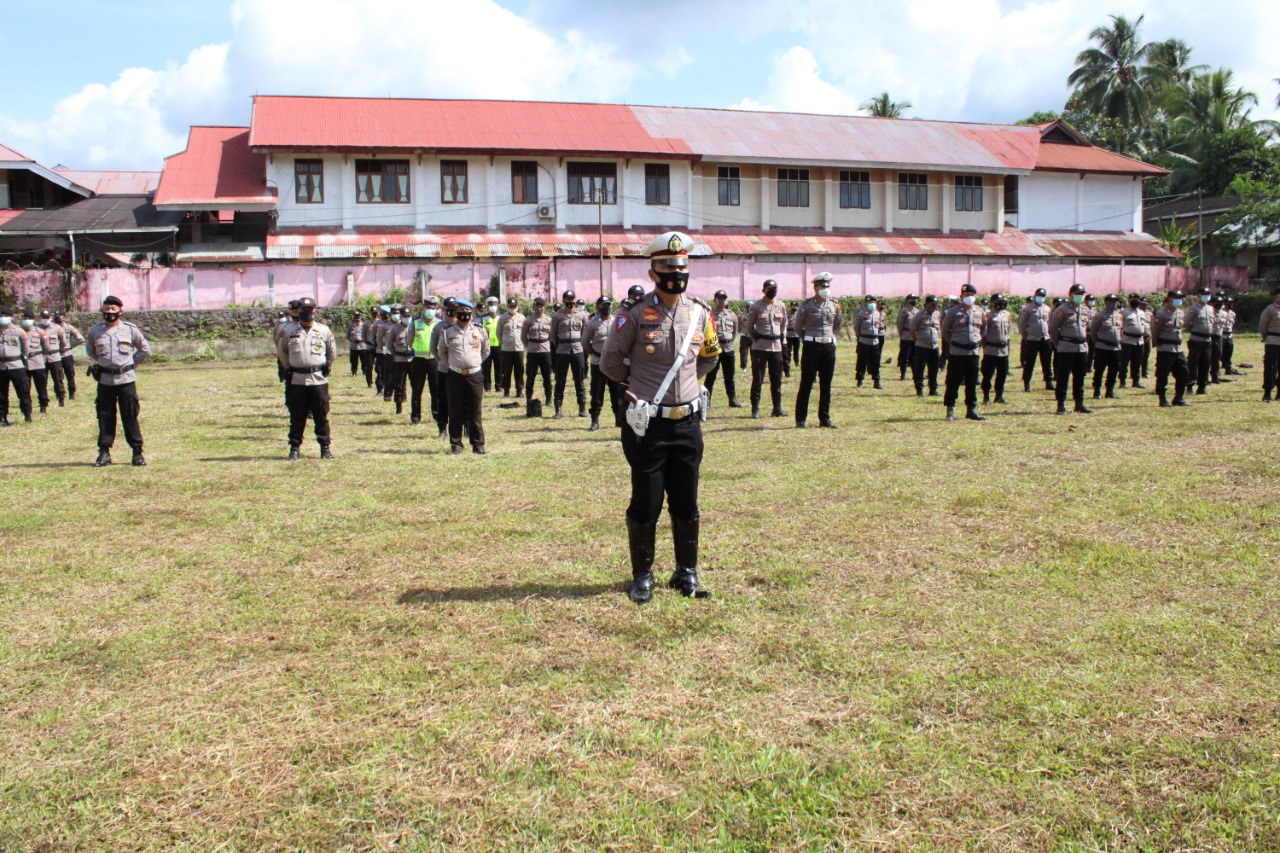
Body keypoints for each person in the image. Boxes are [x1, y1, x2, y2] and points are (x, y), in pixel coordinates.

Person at [601, 230, 720, 604]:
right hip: (648, 425)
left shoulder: (700, 313)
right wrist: (638, 382)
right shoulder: (634, 315)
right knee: (647, 502)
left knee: (686, 502)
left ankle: (686, 573)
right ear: (653, 273)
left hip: (687, 423)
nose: (676, 274)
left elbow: (710, 356)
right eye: (668, 268)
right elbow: (609, 363)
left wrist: (687, 384)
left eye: (681, 267)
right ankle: (643, 576)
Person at [86, 295, 152, 466]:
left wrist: (130, 364)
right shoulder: (95, 331)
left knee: (130, 415)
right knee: (105, 416)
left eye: (113, 309)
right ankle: (104, 452)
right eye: (107, 309)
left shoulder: (130, 330)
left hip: (126, 380)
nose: (110, 312)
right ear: (102, 311)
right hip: (105, 380)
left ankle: (137, 452)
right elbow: (91, 351)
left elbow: (145, 350)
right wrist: (104, 364)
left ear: (120, 311)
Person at [277, 297, 336, 460]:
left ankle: (325, 448)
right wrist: (290, 367)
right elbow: (282, 352)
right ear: (299, 311)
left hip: (318, 379)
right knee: (297, 415)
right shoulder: (289, 330)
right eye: (303, 309)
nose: (307, 312)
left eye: (310, 309)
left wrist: (326, 365)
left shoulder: (323, 330)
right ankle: (294, 448)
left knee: (321, 415)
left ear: (315, 310)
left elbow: (331, 352)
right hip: (297, 379)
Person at [436, 298, 489, 455]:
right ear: (456, 313)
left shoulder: (480, 330)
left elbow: (485, 351)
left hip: (474, 375)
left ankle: (478, 444)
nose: (464, 314)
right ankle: (456, 444)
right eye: (461, 311)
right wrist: (454, 364)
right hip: (455, 375)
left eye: (467, 311)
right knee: (455, 409)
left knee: (475, 410)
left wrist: (474, 363)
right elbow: (442, 352)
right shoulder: (447, 331)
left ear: (471, 313)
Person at [793, 271, 843, 428]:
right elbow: (798, 327)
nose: (825, 289)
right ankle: (801, 420)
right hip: (811, 346)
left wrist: (831, 339)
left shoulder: (834, 305)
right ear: (815, 287)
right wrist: (808, 339)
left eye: (827, 286)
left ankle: (824, 419)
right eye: (822, 286)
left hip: (828, 346)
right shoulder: (806, 305)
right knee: (806, 383)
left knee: (826, 384)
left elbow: (837, 325)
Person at [940, 283, 986, 421]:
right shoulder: (954, 311)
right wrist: (953, 342)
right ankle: (950, 410)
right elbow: (945, 330)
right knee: (953, 381)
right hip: (957, 352)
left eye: (972, 295)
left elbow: (984, 328)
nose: (969, 297)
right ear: (961, 296)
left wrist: (978, 341)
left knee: (972, 381)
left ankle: (971, 410)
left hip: (973, 352)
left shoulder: (979, 311)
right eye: (967, 295)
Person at [747, 279, 788, 419]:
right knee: (758, 379)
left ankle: (777, 408)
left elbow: (784, 324)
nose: (772, 291)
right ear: (763, 290)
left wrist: (781, 339)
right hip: (760, 347)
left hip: (776, 347)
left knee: (776, 379)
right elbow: (750, 327)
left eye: (774, 289)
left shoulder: (781, 305)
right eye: (769, 289)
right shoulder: (756, 307)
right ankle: (755, 409)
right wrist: (757, 339)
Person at [1049, 283, 1093, 415]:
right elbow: (1053, 329)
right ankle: (1061, 404)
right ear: (1070, 295)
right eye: (1077, 294)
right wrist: (1059, 343)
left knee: (1080, 377)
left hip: (1081, 348)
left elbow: (1087, 327)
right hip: (1066, 347)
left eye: (1082, 294)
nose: (1080, 296)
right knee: (1063, 377)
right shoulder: (1062, 309)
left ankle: (1079, 404)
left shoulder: (1085, 309)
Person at [584, 295, 621, 431]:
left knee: (616, 392)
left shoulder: (618, 321)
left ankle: (618, 419)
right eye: (604, 305)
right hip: (598, 362)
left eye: (608, 305)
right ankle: (595, 420)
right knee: (597, 392)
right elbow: (585, 342)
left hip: (614, 362)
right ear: (598, 307)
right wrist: (594, 353)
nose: (606, 308)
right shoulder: (593, 323)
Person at [550, 290, 588, 418]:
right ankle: (558, 409)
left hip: (577, 349)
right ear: (563, 300)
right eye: (568, 299)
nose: (570, 301)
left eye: (572, 299)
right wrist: (558, 346)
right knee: (560, 380)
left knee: (579, 380)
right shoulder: (557, 316)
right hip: (562, 350)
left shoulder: (582, 315)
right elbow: (553, 334)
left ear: (575, 299)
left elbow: (584, 332)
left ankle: (582, 408)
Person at [703, 289, 742, 410]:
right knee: (711, 376)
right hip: (715, 349)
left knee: (729, 376)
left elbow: (735, 331)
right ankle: (707, 401)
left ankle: (732, 399)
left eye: (724, 298)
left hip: (728, 349)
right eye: (719, 298)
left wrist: (728, 341)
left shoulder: (731, 315)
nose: (721, 301)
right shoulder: (709, 315)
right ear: (714, 300)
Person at [1152, 290, 1191, 407]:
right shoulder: (1161, 313)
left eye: (1180, 298)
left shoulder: (1181, 313)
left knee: (1184, 372)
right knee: (1163, 374)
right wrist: (1156, 344)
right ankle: (1162, 399)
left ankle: (1178, 398)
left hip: (1178, 348)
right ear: (1169, 299)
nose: (1179, 300)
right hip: (1165, 348)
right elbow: (1155, 330)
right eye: (1176, 297)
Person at [407, 297, 439, 425]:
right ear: (423, 308)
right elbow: (410, 340)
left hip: (434, 360)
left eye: (433, 308)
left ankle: (437, 414)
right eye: (428, 307)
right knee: (417, 389)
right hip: (418, 360)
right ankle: (415, 416)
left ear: (436, 309)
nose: (430, 310)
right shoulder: (415, 323)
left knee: (435, 389)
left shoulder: (440, 323)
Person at [0, 306, 32, 426]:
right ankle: (2, 417)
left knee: (23, 391)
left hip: (16, 365)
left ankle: (27, 414)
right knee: (1, 394)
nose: (2, 318)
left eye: (5, 316)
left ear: (11, 317)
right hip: (1, 366)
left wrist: (23, 360)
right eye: (1, 316)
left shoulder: (19, 331)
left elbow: (26, 349)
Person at [1018, 287, 1054, 392]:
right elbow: (1022, 323)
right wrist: (1025, 336)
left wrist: (1049, 334)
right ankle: (1027, 383)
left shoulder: (1047, 309)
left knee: (1047, 361)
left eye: (1042, 296)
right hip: (1032, 339)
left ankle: (1049, 382)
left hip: (1045, 338)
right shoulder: (1028, 309)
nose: (1040, 297)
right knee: (1029, 362)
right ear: (1035, 296)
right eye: (1039, 295)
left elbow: (1049, 322)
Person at [521, 297, 553, 415]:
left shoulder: (549, 320)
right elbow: (523, 337)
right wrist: (529, 346)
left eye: (541, 306)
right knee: (530, 376)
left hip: (545, 350)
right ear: (534, 306)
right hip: (532, 351)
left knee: (547, 375)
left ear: (544, 307)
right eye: (537, 306)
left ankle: (548, 398)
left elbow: (552, 336)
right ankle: (529, 398)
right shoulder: (528, 320)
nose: (539, 308)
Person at [430, 299, 457, 437]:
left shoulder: (463, 326)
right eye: (449, 309)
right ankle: (442, 427)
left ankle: (465, 426)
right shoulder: (439, 327)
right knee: (442, 398)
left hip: (460, 369)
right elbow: (433, 347)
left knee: (462, 399)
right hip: (444, 369)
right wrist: (441, 361)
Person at [1089, 294, 1125, 399]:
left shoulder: (1119, 315)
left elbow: (1121, 330)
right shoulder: (1099, 316)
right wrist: (1097, 343)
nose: (1113, 304)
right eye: (1110, 301)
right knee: (1099, 370)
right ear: (1105, 302)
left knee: (1114, 370)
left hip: (1115, 348)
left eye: (1115, 302)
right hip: (1102, 347)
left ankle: (1110, 391)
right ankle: (1097, 391)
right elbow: (1093, 331)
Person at [1182, 286, 1215, 395]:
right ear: (1199, 296)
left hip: (1207, 340)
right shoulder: (1194, 308)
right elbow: (1186, 322)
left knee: (1205, 363)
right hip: (1196, 339)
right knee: (1193, 363)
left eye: (1208, 294)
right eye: (1204, 295)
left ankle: (1202, 386)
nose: (1206, 297)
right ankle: (1190, 385)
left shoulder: (1210, 309)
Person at [979, 293, 1011, 406]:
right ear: (992, 303)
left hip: (1003, 350)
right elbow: (983, 333)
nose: (1000, 304)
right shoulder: (987, 315)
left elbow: (1008, 332)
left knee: (1002, 374)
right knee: (988, 374)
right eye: (998, 302)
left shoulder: (1007, 314)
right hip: (991, 350)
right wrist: (984, 346)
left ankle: (999, 396)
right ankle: (986, 397)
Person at [909, 295, 941, 397]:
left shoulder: (937, 314)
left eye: (936, 304)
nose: (934, 306)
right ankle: (919, 390)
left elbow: (938, 329)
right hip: (922, 346)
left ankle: (933, 389)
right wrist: (917, 340)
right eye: (932, 304)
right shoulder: (919, 315)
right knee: (920, 368)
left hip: (934, 346)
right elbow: (912, 330)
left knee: (934, 368)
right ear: (926, 304)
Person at [21, 311, 52, 414]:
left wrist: (39, 355)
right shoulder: (19, 331)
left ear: (33, 320)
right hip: (23, 364)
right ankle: (27, 407)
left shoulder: (39, 331)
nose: (26, 320)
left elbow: (46, 347)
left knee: (41, 386)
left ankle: (43, 405)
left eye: (28, 318)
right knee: (24, 387)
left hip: (37, 362)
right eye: (24, 318)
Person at [496, 296, 526, 399]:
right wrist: (504, 342)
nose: (512, 308)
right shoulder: (502, 318)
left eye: (514, 306)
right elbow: (499, 333)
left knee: (520, 370)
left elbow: (525, 332)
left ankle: (519, 391)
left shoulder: (522, 317)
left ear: (517, 306)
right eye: (510, 306)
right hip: (506, 349)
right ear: (507, 306)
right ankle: (506, 391)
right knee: (506, 370)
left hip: (519, 348)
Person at [387, 307, 414, 414]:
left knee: (415, 384)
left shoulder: (414, 327)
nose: (407, 318)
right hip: (400, 359)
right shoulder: (395, 329)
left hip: (412, 359)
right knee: (399, 383)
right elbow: (390, 344)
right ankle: (398, 406)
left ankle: (415, 407)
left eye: (409, 316)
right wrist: (395, 356)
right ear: (401, 317)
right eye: (405, 317)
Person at [1118, 295, 1148, 389]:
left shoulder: (1142, 312)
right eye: (1133, 299)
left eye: (1137, 299)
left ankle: (1136, 381)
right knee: (1124, 362)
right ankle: (1122, 382)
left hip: (1139, 341)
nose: (1136, 301)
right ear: (1129, 300)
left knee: (1137, 362)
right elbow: (1119, 326)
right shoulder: (1123, 312)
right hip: (1127, 340)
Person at [853, 295, 882, 389]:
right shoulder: (861, 314)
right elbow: (856, 327)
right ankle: (860, 380)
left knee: (876, 362)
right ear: (865, 303)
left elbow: (878, 326)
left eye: (873, 303)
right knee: (862, 361)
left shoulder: (877, 314)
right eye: (869, 303)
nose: (871, 304)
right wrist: (859, 336)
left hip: (875, 341)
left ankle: (876, 381)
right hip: (864, 341)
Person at [55, 312, 85, 401]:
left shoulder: (69, 327)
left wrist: (70, 345)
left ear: (63, 318)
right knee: (57, 376)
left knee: (70, 375)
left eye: (60, 318)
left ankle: (72, 394)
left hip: (66, 354)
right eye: (57, 317)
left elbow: (80, 339)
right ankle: (60, 395)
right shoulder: (52, 328)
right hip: (56, 355)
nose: (58, 319)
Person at [1260, 286, 1280, 402]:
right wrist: (1265, 337)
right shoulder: (1270, 309)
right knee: (1271, 367)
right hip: (1273, 341)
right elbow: (1263, 324)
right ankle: (1267, 392)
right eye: (1278, 294)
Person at [479, 296, 502, 392]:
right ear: (487, 305)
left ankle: (499, 385)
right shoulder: (483, 318)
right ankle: (487, 386)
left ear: (498, 305)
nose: (492, 306)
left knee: (499, 367)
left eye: (494, 304)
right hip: (486, 346)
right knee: (486, 367)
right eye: (490, 304)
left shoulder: (501, 317)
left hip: (499, 345)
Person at [896, 295, 919, 380]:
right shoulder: (904, 311)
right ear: (907, 301)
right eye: (912, 299)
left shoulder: (917, 311)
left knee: (914, 356)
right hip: (906, 336)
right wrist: (901, 334)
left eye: (915, 299)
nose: (914, 300)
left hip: (915, 337)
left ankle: (915, 374)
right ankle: (903, 374)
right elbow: (900, 323)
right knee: (905, 356)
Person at [347, 309, 371, 382]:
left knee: (364, 360)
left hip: (362, 345)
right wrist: (352, 341)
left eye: (358, 317)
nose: (357, 319)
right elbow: (348, 335)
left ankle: (364, 371)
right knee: (353, 360)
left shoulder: (364, 325)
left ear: (360, 317)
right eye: (356, 317)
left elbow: (367, 334)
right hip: (354, 346)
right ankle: (354, 372)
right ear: (354, 317)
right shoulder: (351, 326)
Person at [1220, 297, 1240, 376]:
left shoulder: (1233, 314)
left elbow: (1232, 324)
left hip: (1229, 335)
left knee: (1229, 353)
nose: (1229, 305)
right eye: (1228, 303)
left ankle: (1228, 369)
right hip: (1221, 334)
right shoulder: (1221, 312)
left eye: (1231, 303)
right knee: (1219, 353)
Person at [784, 301, 800, 377]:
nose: (794, 307)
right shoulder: (787, 314)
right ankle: (788, 362)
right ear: (791, 306)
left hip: (797, 335)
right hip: (789, 335)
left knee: (796, 350)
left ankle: (797, 361)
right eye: (793, 305)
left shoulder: (799, 314)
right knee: (788, 351)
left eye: (796, 305)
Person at [737, 300, 753, 372]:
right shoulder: (742, 315)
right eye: (749, 306)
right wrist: (740, 331)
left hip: (753, 337)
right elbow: (739, 324)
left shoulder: (756, 315)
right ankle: (744, 367)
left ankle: (754, 366)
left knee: (754, 353)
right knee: (743, 352)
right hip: (744, 336)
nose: (750, 308)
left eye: (751, 307)